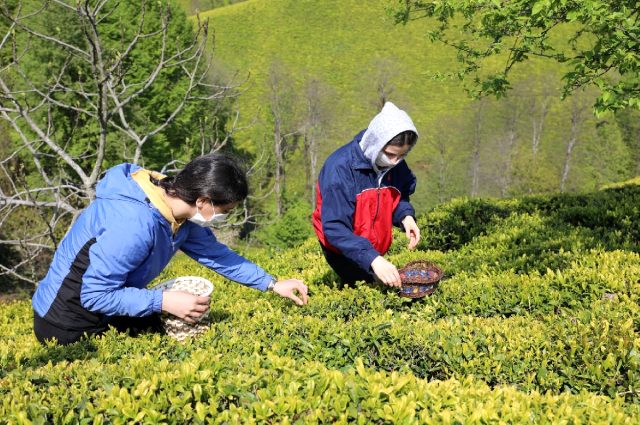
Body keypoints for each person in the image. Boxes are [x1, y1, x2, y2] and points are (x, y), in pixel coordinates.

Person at [32, 154, 308, 345]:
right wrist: (163, 301)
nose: (224, 217)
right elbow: (95, 295)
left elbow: (218, 255)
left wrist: (272, 284)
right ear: (203, 202)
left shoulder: (177, 210)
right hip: (67, 323)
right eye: (225, 211)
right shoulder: (133, 224)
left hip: (109, 310)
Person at [312, 102, 421, 287]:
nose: (395, 162)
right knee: (365, 290)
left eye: (401, 156)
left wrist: (406, 217)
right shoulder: (339, 169)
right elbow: (335, 228)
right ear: (376, 143)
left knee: (382, 286)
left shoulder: (393, 164)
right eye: (390, 154)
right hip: (342, 249)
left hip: (373, 244)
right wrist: (373, 259)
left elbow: (398, 195)